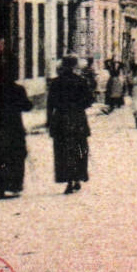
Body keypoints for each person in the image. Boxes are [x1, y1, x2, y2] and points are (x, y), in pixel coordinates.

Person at [47, 56, 93, 194]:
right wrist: (79, 106)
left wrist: (49, 121)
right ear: (74, 66)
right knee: (79, 149)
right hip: (78, 119)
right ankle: (77, 178)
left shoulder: (56, 82)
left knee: (63, 151)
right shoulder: (80, 81)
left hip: (61, 119)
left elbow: (50, 104)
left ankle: (68, 181)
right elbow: (89, 100)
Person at [0, 76, 33, 199]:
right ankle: (14, 187)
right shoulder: (18, 89)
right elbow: (27, 106)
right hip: (14, 129)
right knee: (15, 158)